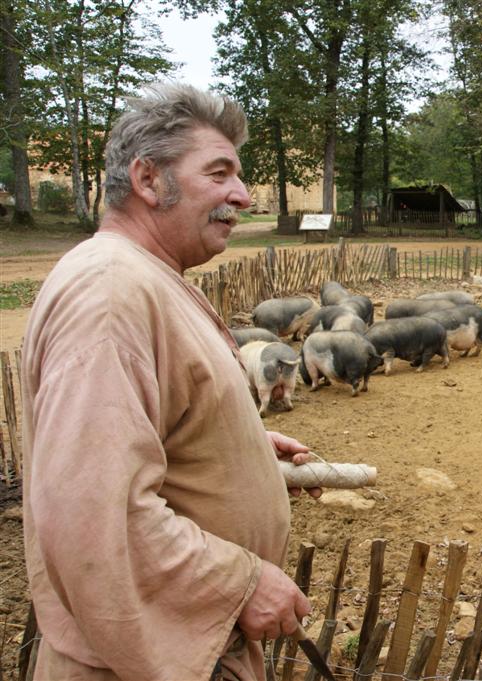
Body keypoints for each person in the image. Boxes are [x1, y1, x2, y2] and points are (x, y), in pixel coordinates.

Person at [20, 84, 321, 680]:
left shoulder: (144, 277)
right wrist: (240, 585)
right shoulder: (111, 295)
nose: (241, 194)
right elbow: (94, 511)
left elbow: (123, 438)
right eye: (219, 173)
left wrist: (231, 449)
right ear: (149, 180)